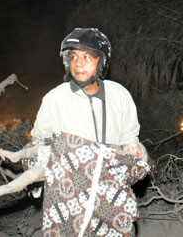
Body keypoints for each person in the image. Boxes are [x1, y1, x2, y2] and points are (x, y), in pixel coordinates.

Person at [31, 28, 149, 237]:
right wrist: (35, 174)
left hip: (110, 195)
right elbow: (38, 143)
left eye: (86, 57)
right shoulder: (54, 99)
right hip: (69, 199)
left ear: (101, 62)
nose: (78, 63)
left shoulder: (120, 96)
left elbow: (129, 139)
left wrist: (134, 160)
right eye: (73, 56)